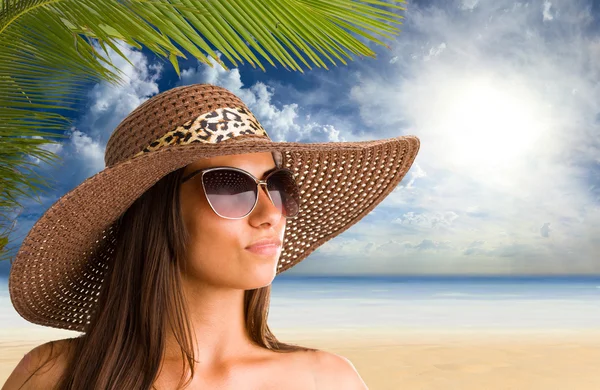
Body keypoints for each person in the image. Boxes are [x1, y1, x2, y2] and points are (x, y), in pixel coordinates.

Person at [3, 83, 420, 389]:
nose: (270, 212)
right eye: (228, 186)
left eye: (277, 186)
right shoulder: (52, 375)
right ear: (157, 213)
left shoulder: (327, 381)